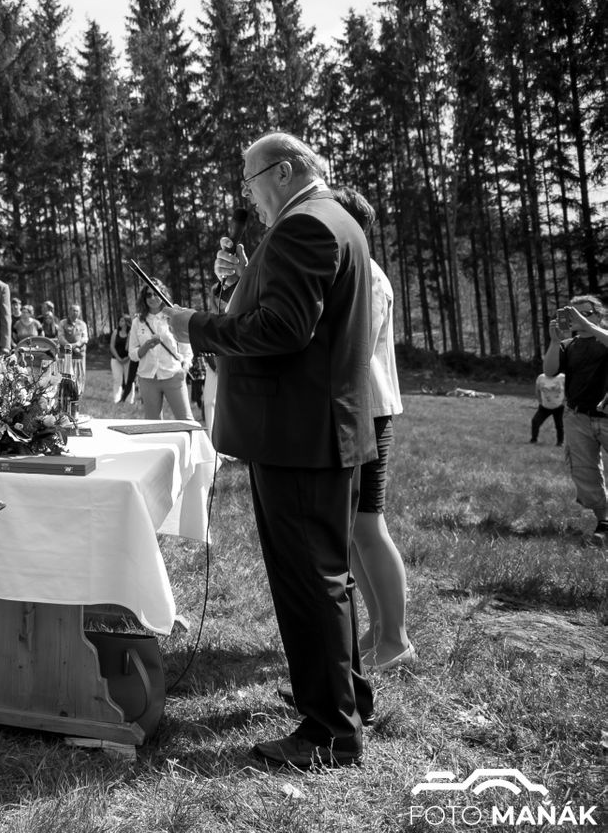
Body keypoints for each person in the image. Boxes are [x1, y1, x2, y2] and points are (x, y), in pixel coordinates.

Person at [165, 132, 376, 770]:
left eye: (250, 180)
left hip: (297, 434)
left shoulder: (303, 225)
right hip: (317, 430)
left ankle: (329, 731)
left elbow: (283, 329)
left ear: (282, 172)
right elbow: (284, 311)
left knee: (308, 581)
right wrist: (242, 282)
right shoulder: (332, 219)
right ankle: (344, 696)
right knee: (327, 576)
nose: (248, 195)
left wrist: (195, 326)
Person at [332, 186, 414, 674]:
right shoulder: (355, 272)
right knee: (352, 530)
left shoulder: (370, 278)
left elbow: (354, 351)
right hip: (355, 410)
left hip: (370, 411)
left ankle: (396, 638)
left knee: (368, 525)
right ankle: (378, 627)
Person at [543, 293, 608, 547]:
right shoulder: (569, 345)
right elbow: (549, 371)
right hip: (577, 416)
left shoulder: (604, 337)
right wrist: (553, 341)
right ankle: (604, 522)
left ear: (600, 316)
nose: (578, 319)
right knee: (585, 472)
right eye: (573, 314)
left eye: (585, 313)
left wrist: (588, 325)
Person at [129, 285, 193, 421]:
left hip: (173, 374)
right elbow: (132, 354)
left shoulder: (173, 317)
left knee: (186, 420)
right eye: (148, 295)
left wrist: (185, 367)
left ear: (163, 295)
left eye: (156, 294)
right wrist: (146, 346)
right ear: (144, 298)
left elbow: (186, 347)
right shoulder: (137, 322)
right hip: (147, 378)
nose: (152, 298)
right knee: (153, 424)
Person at [58, 302, 89, 400]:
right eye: (73, 310)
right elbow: (61, 337)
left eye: (77, 311)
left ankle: (77, 395)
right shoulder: (63, 323)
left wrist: (76, 345)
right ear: (69, 311)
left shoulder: (82, 324)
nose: (75, 312)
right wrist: (69, 347)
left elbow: (85, 338)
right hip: (66, 354)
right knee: (66, 375)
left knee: (79, 375)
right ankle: (65, 394)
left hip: (79, 354)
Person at [531, 369, 566, 446]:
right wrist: (540, 401)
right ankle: (533, 439)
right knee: (535, 421)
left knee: (559, 425)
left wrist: (563, 402)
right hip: (544, 407)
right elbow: (537, 391)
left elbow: (568, 390)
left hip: (559, 407)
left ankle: (560, 442)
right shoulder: (541, 377)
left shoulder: (562, 377)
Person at [108, 315, 134, 405]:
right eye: (120, 320)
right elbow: (112, 346)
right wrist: (118, 358)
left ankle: (129, 400)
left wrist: (128, 358)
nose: (120, 322)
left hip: (128, 360)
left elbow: (133, 347)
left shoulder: (131, 333)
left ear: (127, 322)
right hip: (116, 360)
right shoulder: (115, 332)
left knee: (129, 380)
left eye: (122, 321)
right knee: (117, 379)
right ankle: (116, 399)